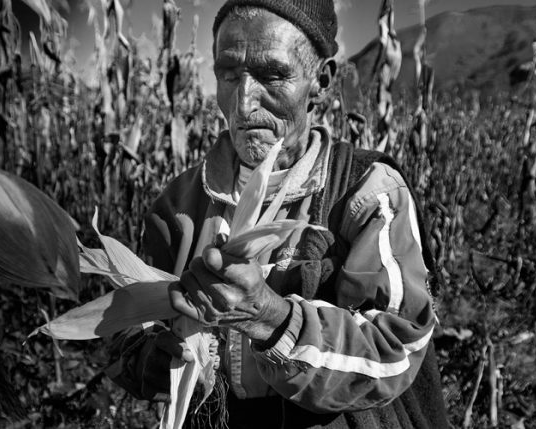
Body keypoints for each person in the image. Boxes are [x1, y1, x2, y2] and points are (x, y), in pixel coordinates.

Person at [105, 0, 449, 427]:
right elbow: (124, 340)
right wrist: (163, 356)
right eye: (228, 73)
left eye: (273, 75)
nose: (245, 102)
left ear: (321, 81)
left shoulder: (368, 193)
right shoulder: (177, 205)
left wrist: (269, 316)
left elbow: (397, 350)